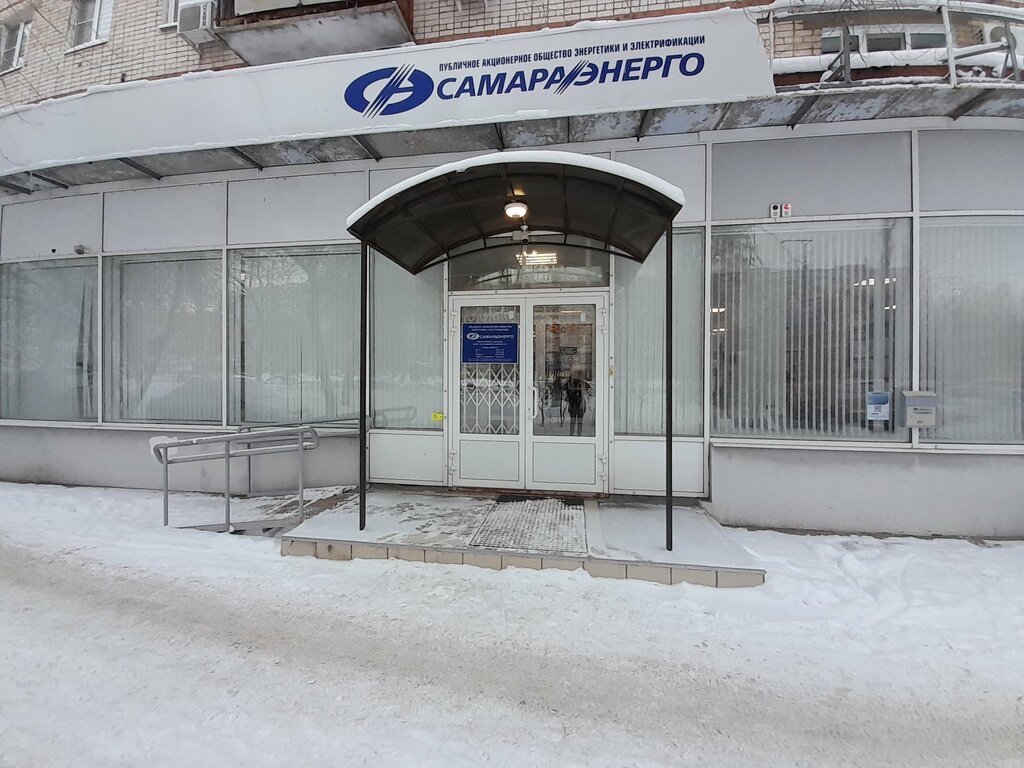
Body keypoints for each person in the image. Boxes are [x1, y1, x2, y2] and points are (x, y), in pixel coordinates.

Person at [562, 365, 589, 436]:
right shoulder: (571, 382)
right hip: (574, 404)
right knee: (576, 421)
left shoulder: (580, 382)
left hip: (578, 404)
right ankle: (574, 435)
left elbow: (589, 389)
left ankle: (575, 435)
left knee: (576, 421)